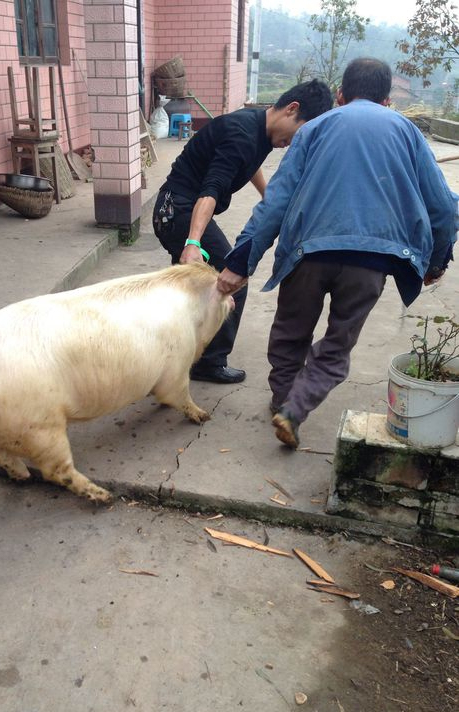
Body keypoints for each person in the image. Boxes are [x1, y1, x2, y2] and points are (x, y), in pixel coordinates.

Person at [218, 57, 457, 448]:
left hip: (307, 253)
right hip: (372, 259)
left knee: (289, 334)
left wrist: (240, 262)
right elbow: (444, 208)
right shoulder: (408, 132)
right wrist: (435, 261)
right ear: (387, 101)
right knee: (336, 345)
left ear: (341, 95)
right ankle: (296, 408)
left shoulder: (313, 128)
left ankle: (283, 400)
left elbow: (274, 203)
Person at [152, 80, 333, 384]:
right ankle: (208, 363)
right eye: (298, 134)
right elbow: (210, 190)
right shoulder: (242, 134)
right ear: (292, 109)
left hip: (176, 208)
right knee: (231, 275)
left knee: (191, 288)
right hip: (179, 212)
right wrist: (193, 241)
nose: (292, 143)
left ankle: (172, 351)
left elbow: (249, 166)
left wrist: (271, 199)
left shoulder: (259, 131)